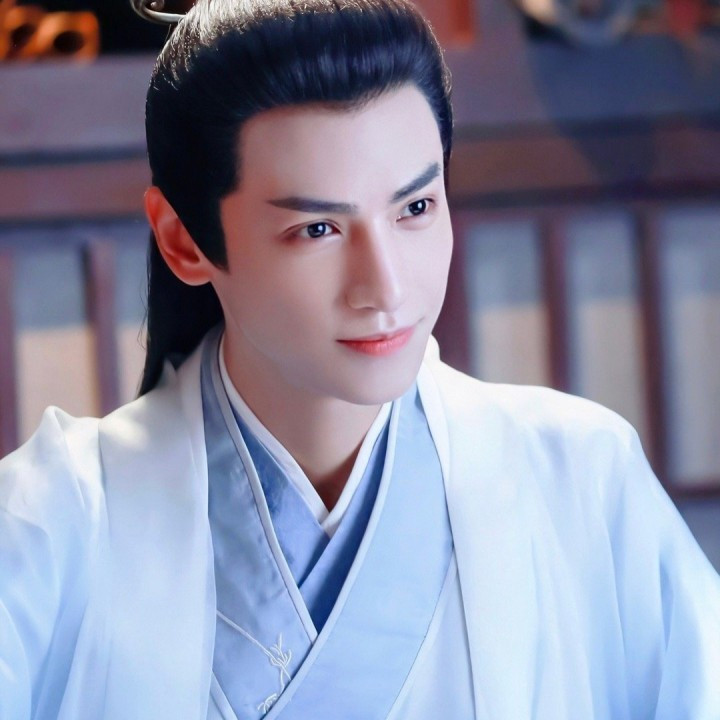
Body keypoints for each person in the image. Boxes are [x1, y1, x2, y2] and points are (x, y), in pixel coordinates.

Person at [1, 0, 719, 718]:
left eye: (415, 209)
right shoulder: (55, 518)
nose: (386, 287)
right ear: (183, 241)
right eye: (317, 228)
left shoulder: (579, 477)